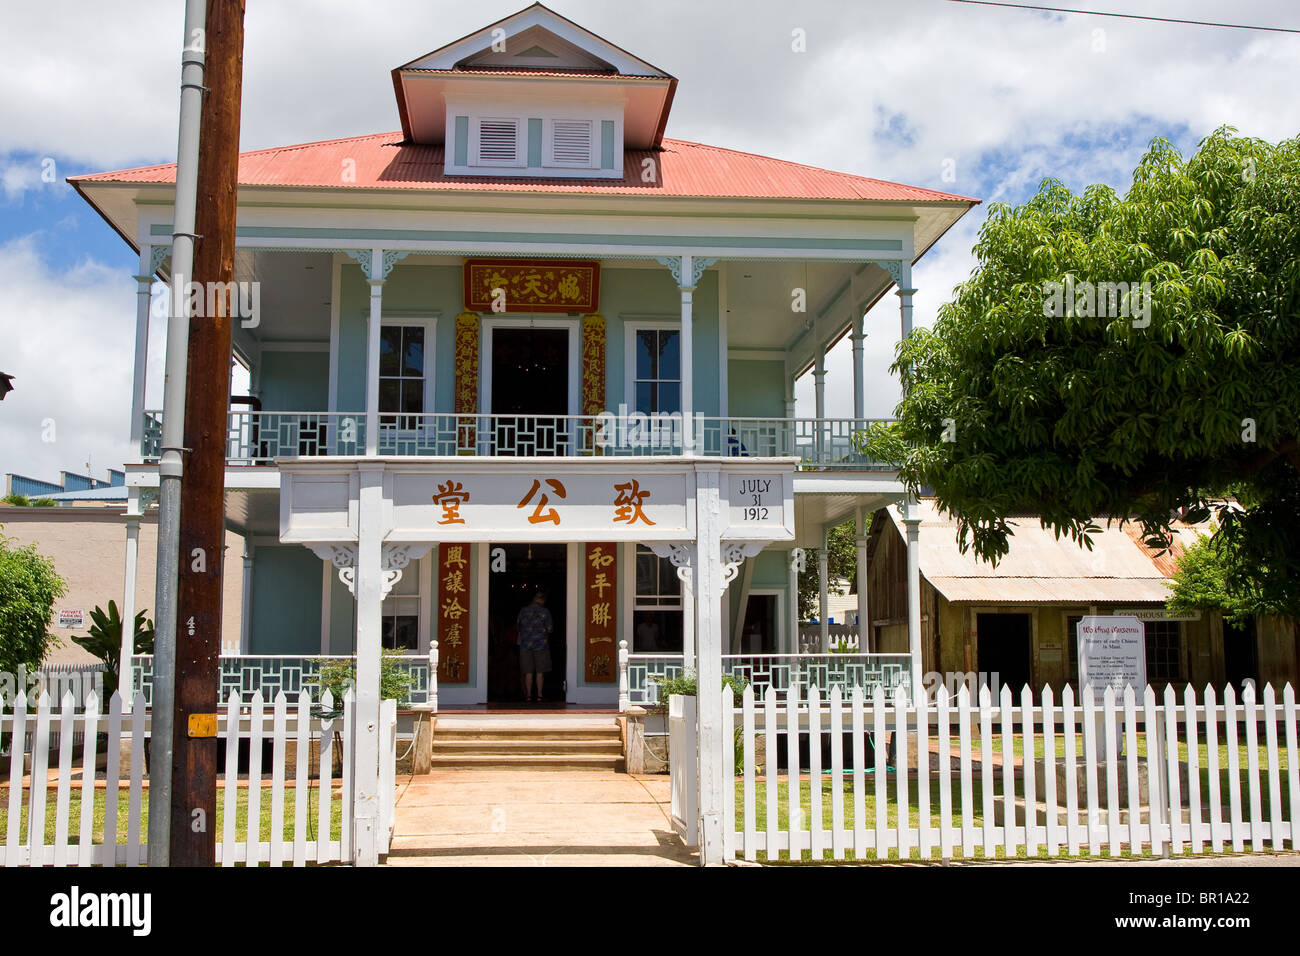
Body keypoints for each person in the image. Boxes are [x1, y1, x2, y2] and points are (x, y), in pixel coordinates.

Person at [516, 590, 553, 702]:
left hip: (525, 645)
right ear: (542, 600)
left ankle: (528, 695)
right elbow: (550, 629)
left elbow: (518, 627)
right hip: (541, 645)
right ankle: (539, 696)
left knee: (528, 672)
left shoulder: (523, 611)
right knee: (540, 672)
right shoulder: (545, 612)